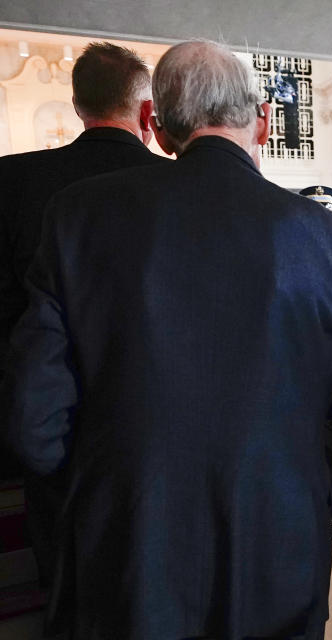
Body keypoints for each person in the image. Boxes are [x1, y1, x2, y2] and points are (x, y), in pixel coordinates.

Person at [1, 40, 332, 639]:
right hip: (275, 544)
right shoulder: (326, 238)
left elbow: (33, 425)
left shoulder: (76, 216)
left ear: (158, 128)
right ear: (263, 121)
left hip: (129, 548)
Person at [0, 41, 168, 588]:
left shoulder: (13, 181)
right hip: (154, 436)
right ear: (147, 114)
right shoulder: (180, 187)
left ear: (77, 107)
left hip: (48, 421)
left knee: (64, 581)